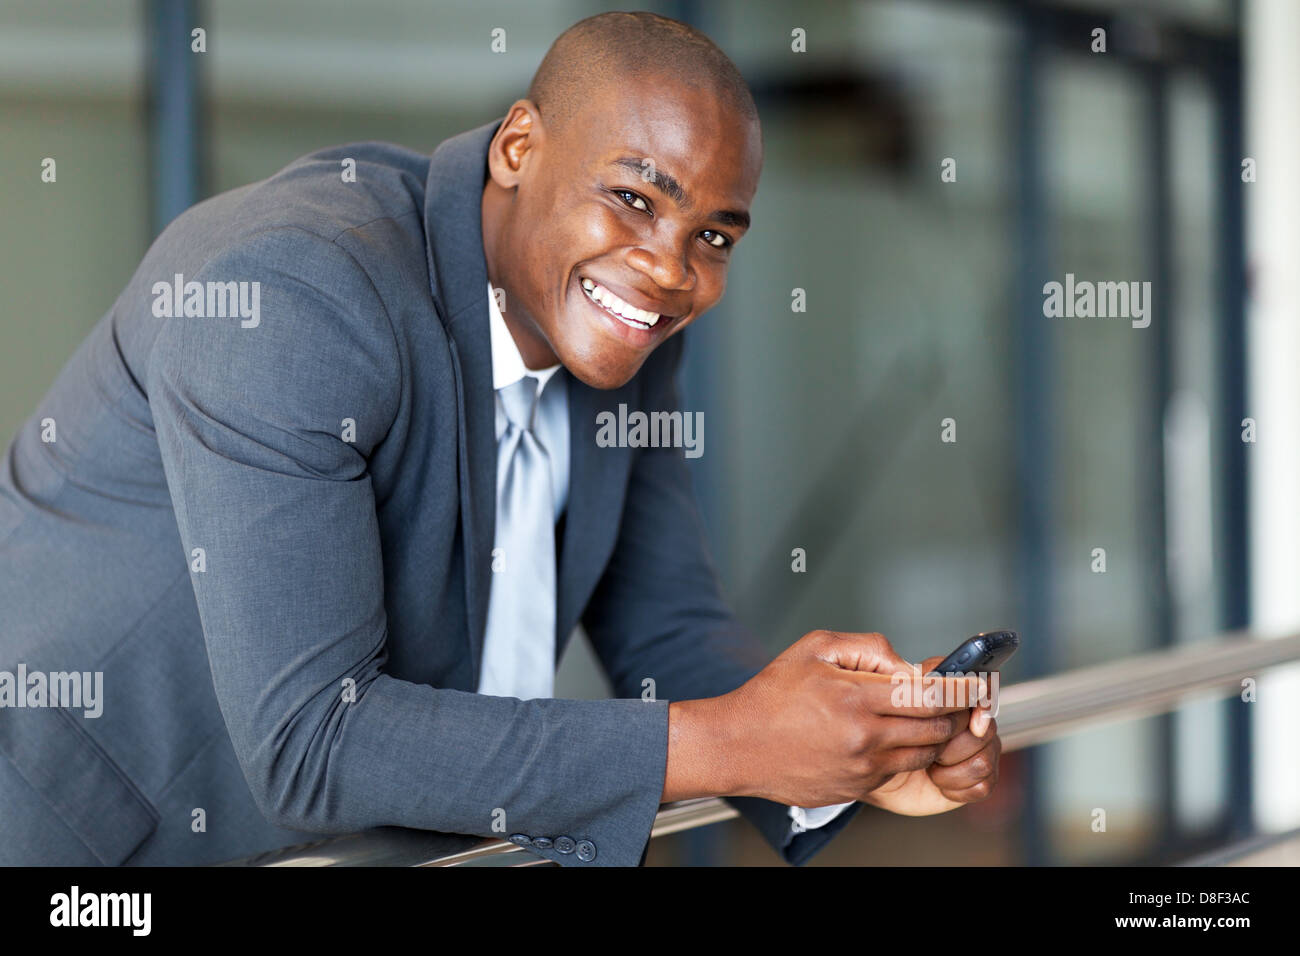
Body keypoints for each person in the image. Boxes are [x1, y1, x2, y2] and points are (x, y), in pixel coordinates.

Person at [0, 11, 999, 867]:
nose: (666, 269)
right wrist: (737, 739)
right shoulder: (292, 292)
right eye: (635, 198)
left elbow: (664, 634)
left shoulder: (621, 331)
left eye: (715, 236)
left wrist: (861, 751)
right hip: (80, 841)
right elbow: (316, 736)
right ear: (518, 149)